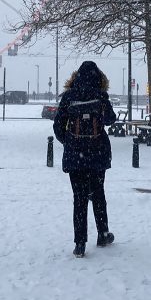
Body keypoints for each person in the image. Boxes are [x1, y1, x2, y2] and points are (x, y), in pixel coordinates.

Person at [53, 61, 118, 258]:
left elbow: (58, 126)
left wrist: (70, 142)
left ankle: (80, 243)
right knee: (98, 194)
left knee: (79, 198)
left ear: (76, 77)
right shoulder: (100, 95)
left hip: (76, 156)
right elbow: (110, 120)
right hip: (97, 154)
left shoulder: (69, 97)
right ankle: (102, 233)